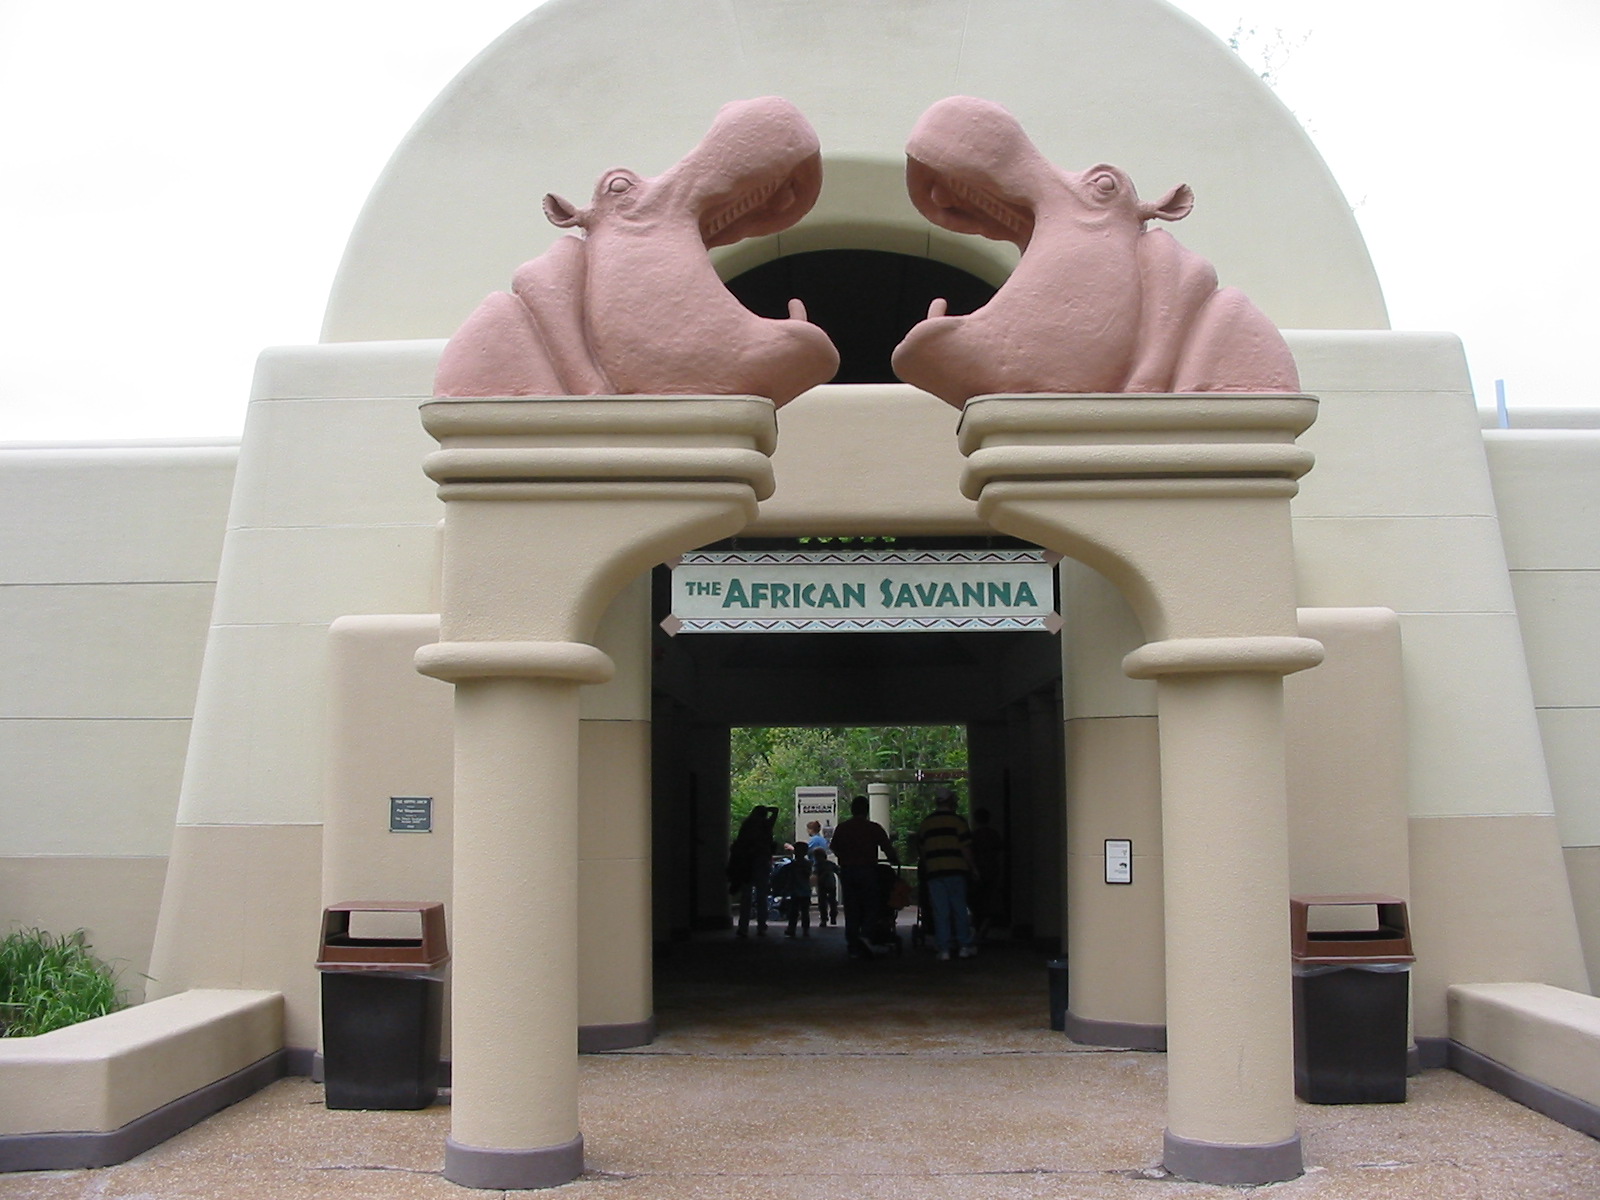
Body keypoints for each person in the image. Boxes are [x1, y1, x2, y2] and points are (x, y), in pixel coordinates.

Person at [828, 795, 898, 958]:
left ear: (852, 810)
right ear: (866, 811)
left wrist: (845, 857)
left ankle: (853, 944)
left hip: (848, 871)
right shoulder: (873, 828)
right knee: (871, 905)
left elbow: (835, 848)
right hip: (868, 870)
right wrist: (893, 859)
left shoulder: (843, 828)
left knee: (852, 908)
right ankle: (866, 934)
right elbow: (887, 848)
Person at [917, 786, 976, 961]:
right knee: (959, 909)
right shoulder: (958, 822)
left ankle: (944, 949)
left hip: (935, 871)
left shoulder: (927, 823)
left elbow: (921, 848)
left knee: (940, 911)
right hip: (956, 870)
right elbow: (965, 847)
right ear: (951, 801)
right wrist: (973, 868)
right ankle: (964, 945)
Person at [726, 806, 777, 937]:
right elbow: (776, 811)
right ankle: (761, 926)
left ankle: (743, 927)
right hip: (761, 861)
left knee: (746, 896)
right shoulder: (766, 826)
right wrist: (769, 809)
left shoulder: (747, 826)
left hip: (746, 863)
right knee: (762, 895)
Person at [969, 806, 1006, 940]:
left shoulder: (973, 836)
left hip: (977, 872)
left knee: (976, 901)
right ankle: (984, 926)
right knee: (990, 901)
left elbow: (969, 854)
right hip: (992, 870)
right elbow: (1000, 854)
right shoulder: (994, 834)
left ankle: (977, 927)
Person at [775, 848, 813, 938]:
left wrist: (785, 890)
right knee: (805, 912)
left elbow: (790, 879)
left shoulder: (792, 865)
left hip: (795, 891)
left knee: (793, 912)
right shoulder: (808, 864)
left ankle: (791, 929)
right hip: (806, 891)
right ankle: (805, 930)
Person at [811, 846, 839, 926]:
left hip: (821, 885)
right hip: (831, 884)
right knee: (832, 901)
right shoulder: (830, 864)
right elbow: (838, 871)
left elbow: (814, 875)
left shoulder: (817, 865)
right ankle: (833, 917)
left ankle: (824, 919)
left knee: (822, 902)